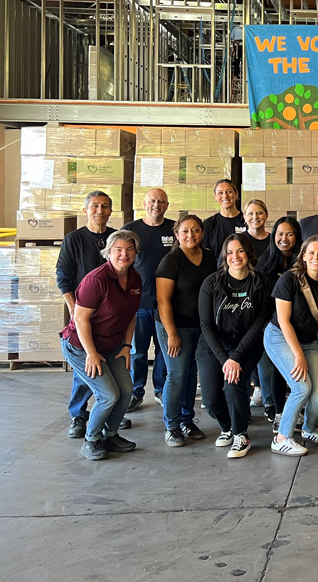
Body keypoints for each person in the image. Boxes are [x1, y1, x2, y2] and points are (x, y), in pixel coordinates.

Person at [60, 230, 142, 461]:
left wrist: (127, 345)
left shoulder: (135, 278)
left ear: (135, 253)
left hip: (113, 345)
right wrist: (92, 354)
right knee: (108, 395)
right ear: (108, 253)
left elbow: (131, 314)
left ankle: (111, 435)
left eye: (129, 249)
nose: (123, 254)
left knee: (126, 391)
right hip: (80, 346)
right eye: (118, 250)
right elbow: (80, 318)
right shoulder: (97, 279)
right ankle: (91, 439)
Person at [197, 233, 271, 459]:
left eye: (240, 251)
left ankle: (241, 435)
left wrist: (236, 357)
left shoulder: (262, 283)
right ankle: (228, 427)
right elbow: (206, 325)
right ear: (224, 256)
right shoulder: (212, 283)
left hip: (246, 344)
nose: (235, 256)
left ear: (249, 253)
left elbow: (259, 323)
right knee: (210, 399)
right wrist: (225, 359)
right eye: (230, 252)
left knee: (233, 384)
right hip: (214, 343)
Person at [264, 235, 318, 455]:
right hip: (279, 337)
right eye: (311, 253)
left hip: (309, 342)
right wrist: (298, 355)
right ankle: (281, 438)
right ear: (304, 256)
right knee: (301, 387)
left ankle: (307, 429)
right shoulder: (289, 279)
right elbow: (284, 320)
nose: (316, 257)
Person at [57, 190, 118, 439]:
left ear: (110, 211)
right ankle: (79, 416)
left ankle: (109, 413)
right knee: (86, 365)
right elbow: (64, 276)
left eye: (105, 206)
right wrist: (74, 309)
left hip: (110, 314)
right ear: (86, 210)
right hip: (83, 313)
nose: (100, 211)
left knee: (110, 363)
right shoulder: (74, 239)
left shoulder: (116, 238)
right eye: (95, 206)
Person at [155, 215, 218, 447]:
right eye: (185, 231)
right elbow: (163, 300)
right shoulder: (171, 261)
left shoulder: (209, 257)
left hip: (198, 326)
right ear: (176, 235)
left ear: (202, 233)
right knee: (177, 373)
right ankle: (171, 426)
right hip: (173, 326)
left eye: (195, 231)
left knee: (192, 373)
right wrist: (172, 333)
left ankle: (186, 420)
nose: (190, 235)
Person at [122, 188, 175, 412]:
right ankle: (136, 392)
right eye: (152, 201)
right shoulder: (131, 230)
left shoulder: (174, 229)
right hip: (139, 304)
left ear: (167, 205)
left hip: (168, 304)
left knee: (164, 351)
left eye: (161, 201)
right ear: (144, 203)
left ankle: (162, 390)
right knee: (139, 352)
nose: (157, 205)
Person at [253, 216, 303, 426]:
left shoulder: (303, 260)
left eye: (290, 234)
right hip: (272, 325)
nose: (284, 239)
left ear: (297, 237)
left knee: (298, 368)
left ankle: (298, 410)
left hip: (299, 324)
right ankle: (276, 409)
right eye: (280, 234)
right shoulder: (265, 262)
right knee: (274, 369)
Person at [202, 179, 247, 252]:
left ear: (236, 194)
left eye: (229, 192)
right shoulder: (208, 224)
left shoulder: (247, 221)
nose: (225, 196)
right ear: (215, 197)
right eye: (220, 193)